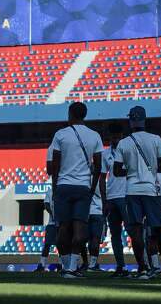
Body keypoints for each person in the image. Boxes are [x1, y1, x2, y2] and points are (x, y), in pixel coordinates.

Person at [113, 106, 161, 280]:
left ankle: (142, 269)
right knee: (160, 231)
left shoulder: (124, 142)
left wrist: (132, 172)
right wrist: (150, 170)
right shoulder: (156, 139)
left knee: (136, 232)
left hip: (132, 190)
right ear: (144, 120)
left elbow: (117, 171)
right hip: (151, 190)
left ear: (131, 121)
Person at [50, 102, 104, 279]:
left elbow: (55, 165)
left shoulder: (61, 134)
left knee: (63, 228)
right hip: (83, 187)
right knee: (80, 229)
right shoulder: (95, 136)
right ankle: (72, 267)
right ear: (85, 115)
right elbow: (98, 166)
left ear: (70, 114)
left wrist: (55, 187)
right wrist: (92, 186)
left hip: (64, 186)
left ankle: (66, 267)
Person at [102, 122, 129, 278]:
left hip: (126, 195)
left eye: (117, 136)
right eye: (112, 136)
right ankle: (121, 266)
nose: (115, 139)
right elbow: (101, 178)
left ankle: (144, 266)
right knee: (115, 234)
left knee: (133, 230)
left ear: (122, 136)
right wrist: (104, 201)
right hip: (112, 198)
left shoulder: (128, 151)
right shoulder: (106, 154)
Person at [35, 147, 57, 272]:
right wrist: (53, 214)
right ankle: (41, 265)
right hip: (52, 222)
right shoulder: (50, 191)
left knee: (63, 245)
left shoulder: (62, 190)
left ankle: (64, 266)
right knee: (47, 244)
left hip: (61, 222)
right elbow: (46, 205)